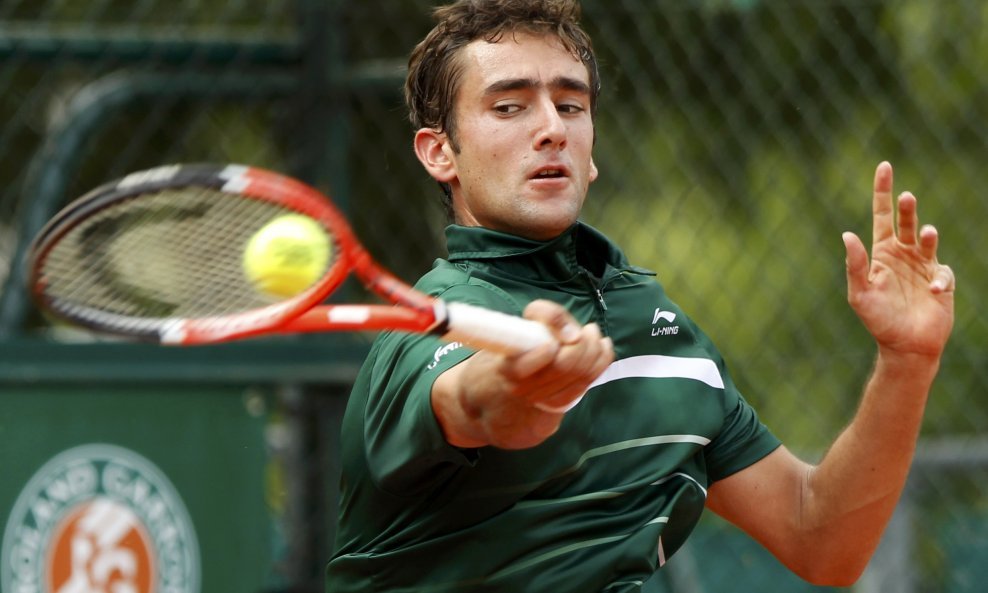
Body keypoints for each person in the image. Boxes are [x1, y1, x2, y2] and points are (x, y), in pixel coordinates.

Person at [325, 0, 956, 591]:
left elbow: (821, 538)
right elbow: (476, 404)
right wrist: (526, 386)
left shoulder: (658, 328)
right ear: (441, 153)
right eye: (509, 107)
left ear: (592, 150)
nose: (551, 128)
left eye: (570, 106)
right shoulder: (425, 329)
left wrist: (907, 361)